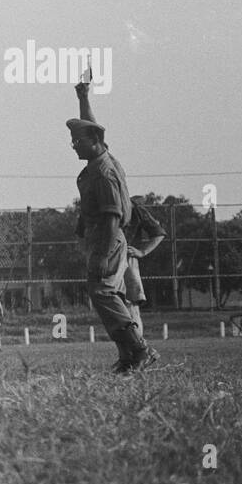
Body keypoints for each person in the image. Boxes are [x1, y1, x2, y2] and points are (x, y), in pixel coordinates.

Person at [71, 73, 153, 372]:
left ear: (94, 143)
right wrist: (83, 99)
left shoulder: (104, 172)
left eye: (78, 141)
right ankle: (129, 357)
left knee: (103, 293)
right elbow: (92, 128)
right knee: (110, 295)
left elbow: (112, 215)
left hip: (108, 237)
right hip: (106, 238)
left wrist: (102, 255)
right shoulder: (100, 157)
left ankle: (139, 350)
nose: (74, 146)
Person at [124, 196, 166, 343]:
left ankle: (138, 351)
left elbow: (158, 233)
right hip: (105, 261)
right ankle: (129, 352)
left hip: (126, 262)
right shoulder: (98, 204)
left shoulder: (134, 208)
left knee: (131, 307)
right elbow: (81, 232)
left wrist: (142, 252)